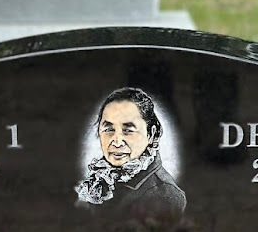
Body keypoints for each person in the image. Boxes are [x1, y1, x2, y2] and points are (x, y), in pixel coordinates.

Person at [75, 87, 186, 220]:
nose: (116, 142)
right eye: (109, 129)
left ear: (150, 134)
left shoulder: (164, 194)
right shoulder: (99, 179)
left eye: (128, 131)